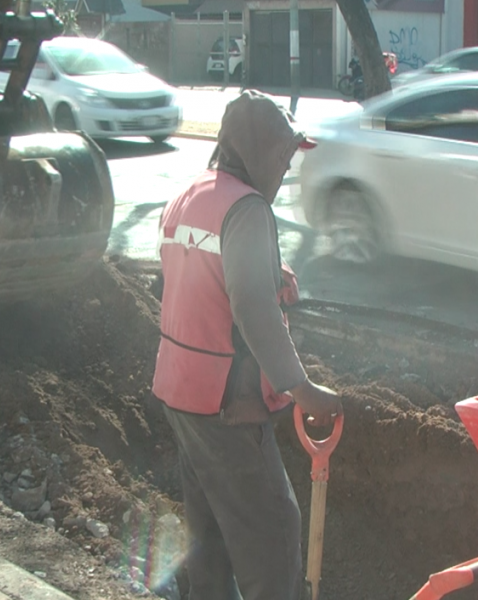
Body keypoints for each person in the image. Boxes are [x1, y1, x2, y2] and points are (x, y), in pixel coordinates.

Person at [153, 90, 342, 600]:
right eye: (282, 159)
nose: (284, 173)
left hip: (180, 391)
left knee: (210, 541)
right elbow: (253, 310)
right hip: (226, 404)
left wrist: (262, 271)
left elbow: (191, 272)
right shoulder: (249, 207)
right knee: (273, 537)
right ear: (258, 152)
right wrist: (301, 389)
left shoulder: (191, 193)